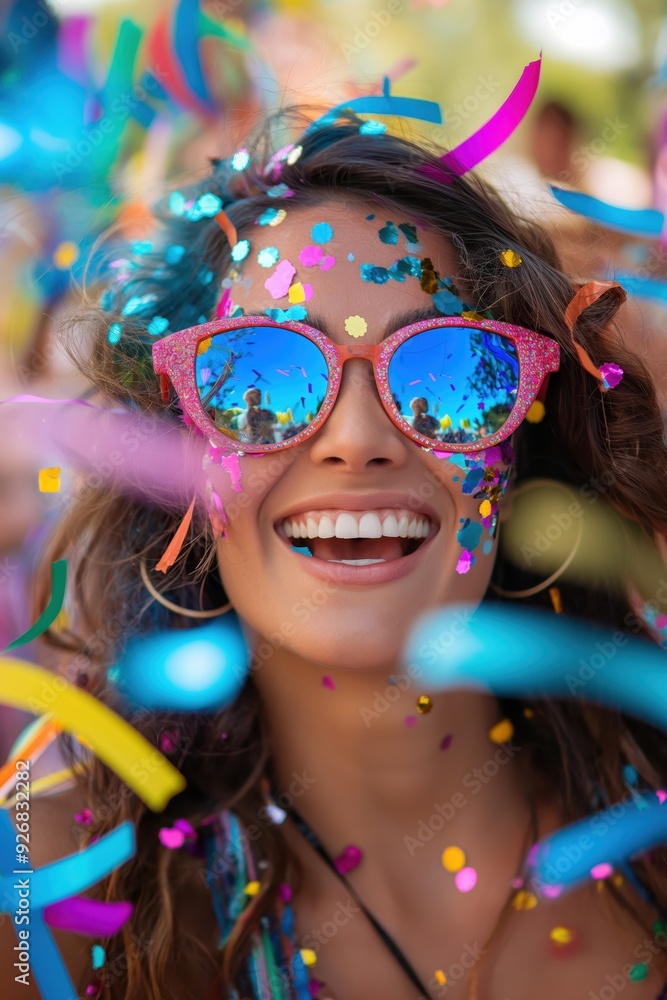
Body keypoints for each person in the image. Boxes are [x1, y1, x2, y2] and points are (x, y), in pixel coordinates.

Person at [3, 109, 667, 1000]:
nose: (356, 439)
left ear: (519, 461)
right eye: (259, 376)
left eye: (449, 374)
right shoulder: (39, 901)